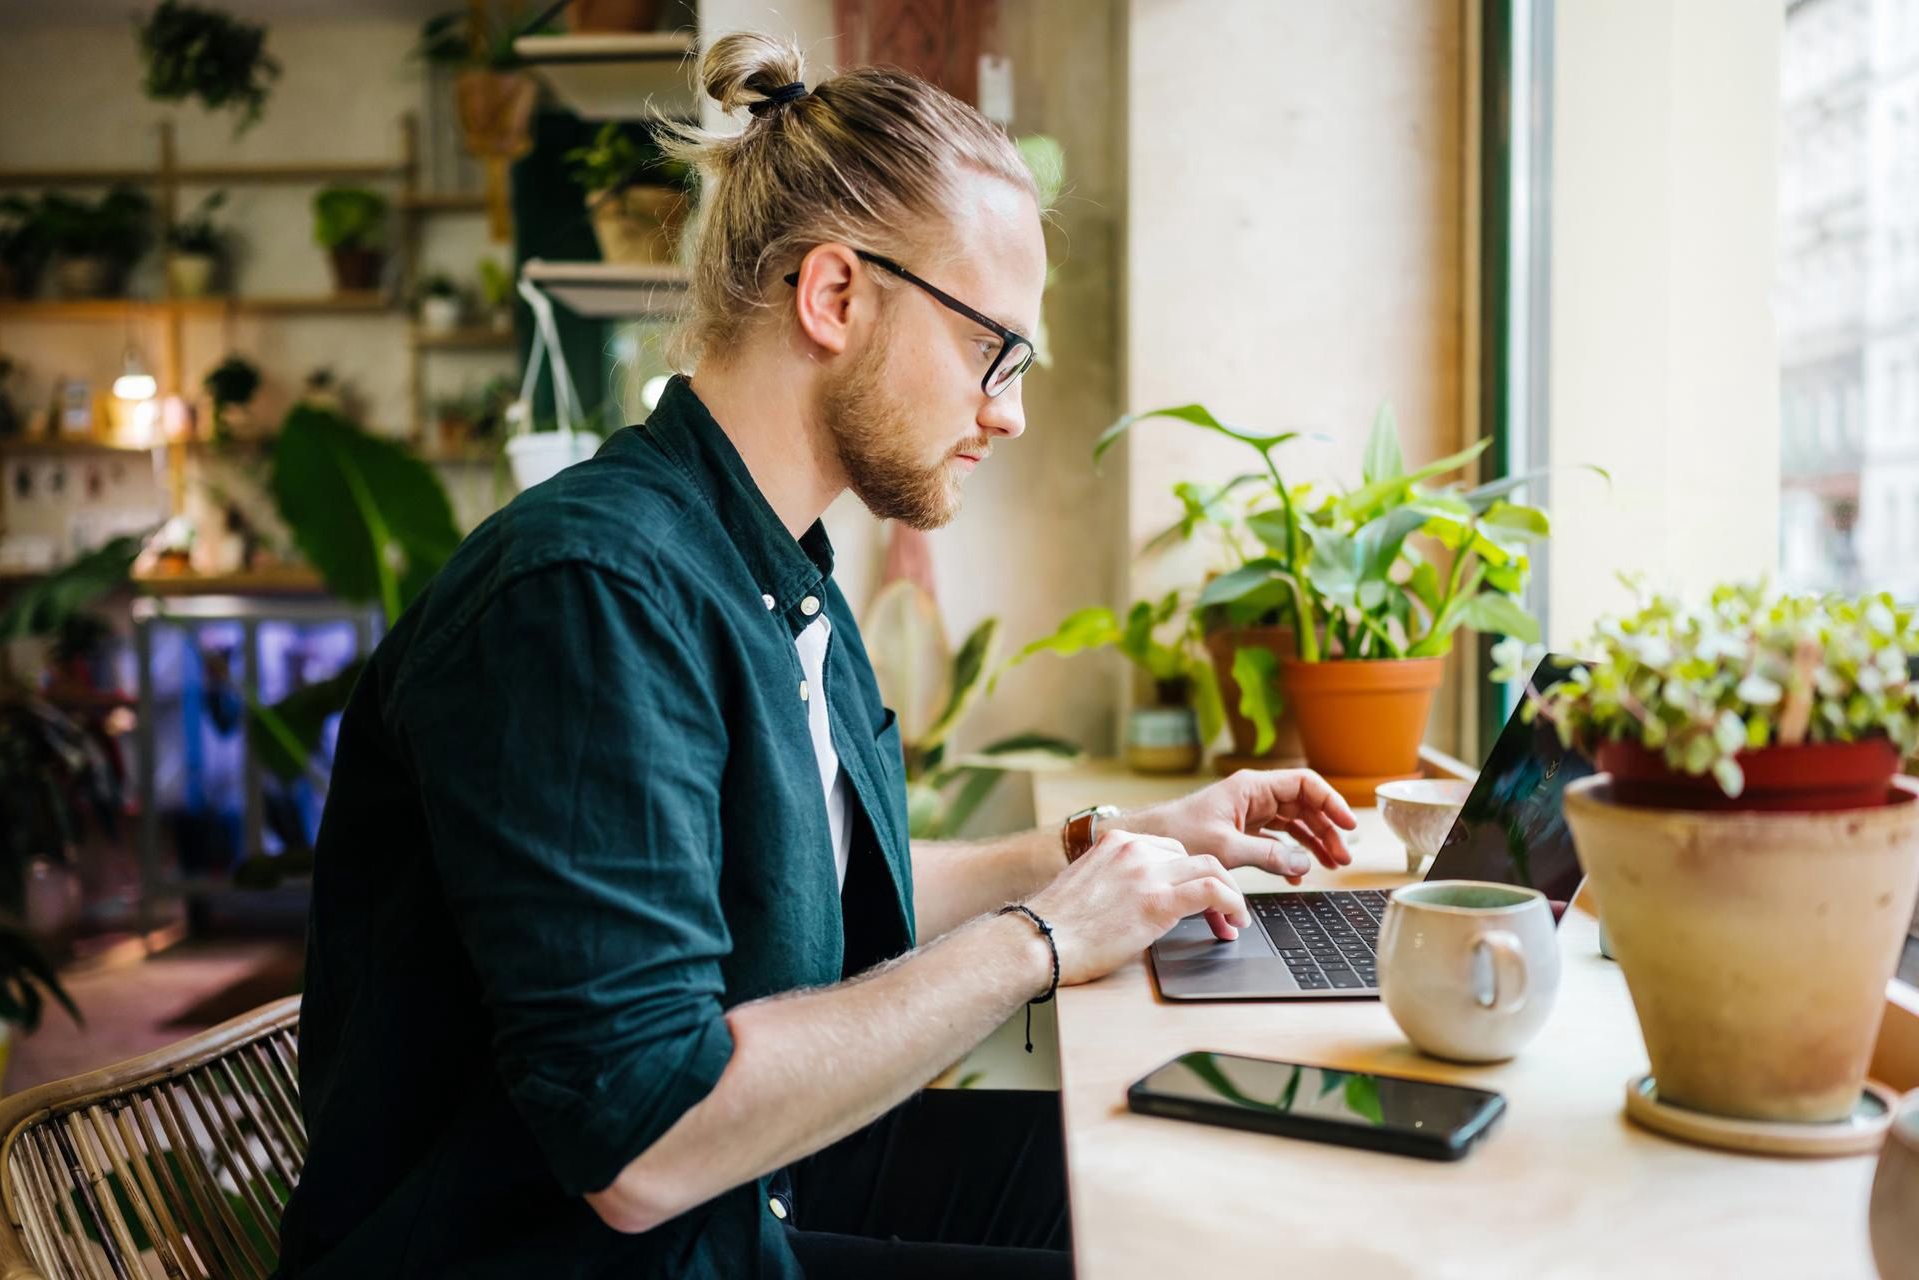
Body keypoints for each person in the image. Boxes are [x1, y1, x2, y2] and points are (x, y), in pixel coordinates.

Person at [273, 30, 1356, 1280]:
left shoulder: (772, 564)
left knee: (1185, 1189)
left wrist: (1114, 844)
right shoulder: (586, 595)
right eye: (992, 349)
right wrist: (1042, 937)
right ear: (834, 295)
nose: (1007, 407)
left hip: (744, 1195)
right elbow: (646, 1137)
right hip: (570, 1246)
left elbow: (825, 870)